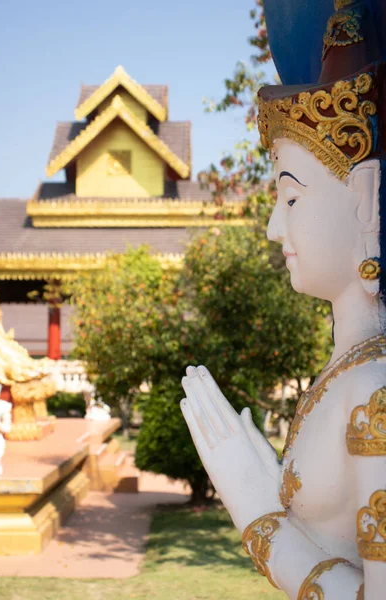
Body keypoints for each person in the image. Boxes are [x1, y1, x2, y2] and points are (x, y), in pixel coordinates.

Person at [180, 1, 386, 597]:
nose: (273, 227)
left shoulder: (374, 392)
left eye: (290, 199)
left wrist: (260, 517)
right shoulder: (348, 372)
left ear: (367, 203)